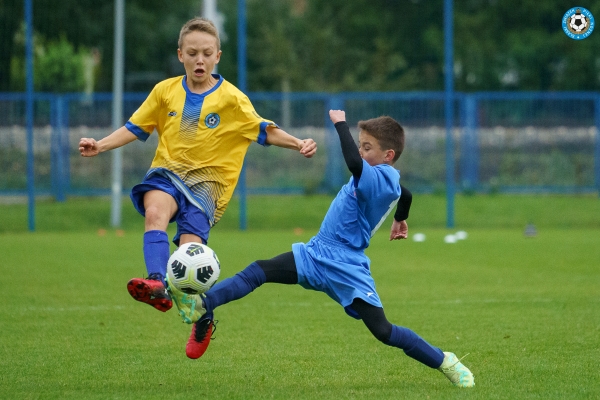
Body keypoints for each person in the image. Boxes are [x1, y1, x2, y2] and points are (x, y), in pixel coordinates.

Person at [169, 110, 475, 388]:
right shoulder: (384, 176)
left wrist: (340, 123)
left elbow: (356, 165)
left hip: (346, 265)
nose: (360, 151)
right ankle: (203, 306)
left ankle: (444, 360)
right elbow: (405, 193)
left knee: (383, 331)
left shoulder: (377, 176)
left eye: (367, 147)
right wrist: (401, 218)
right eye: (360, 144)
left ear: (388, 155)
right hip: (317, 253)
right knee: (259, 270)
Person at [78, 17, 317, 313]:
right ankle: (156, 283)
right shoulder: (164, 92)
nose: (199, 60)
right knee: (154, 213)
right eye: (192, 54)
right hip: (167, 174)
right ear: (181, 55)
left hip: (207, 189)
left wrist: (298, 143)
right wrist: (100, 144)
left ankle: (197, 314)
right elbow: (135, 127)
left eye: (206, 54)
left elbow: (265, 130)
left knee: (189, 259)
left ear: (217, 56)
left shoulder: (232, 100)